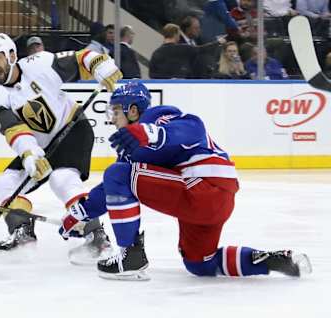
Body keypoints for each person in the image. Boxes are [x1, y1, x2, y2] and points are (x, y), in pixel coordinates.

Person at [58, 81, 312, 280]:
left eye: (115, 111)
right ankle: (272, 260)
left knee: (117, 174)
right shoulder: (132, 145)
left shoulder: (157, 118)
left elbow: (193, 129)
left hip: (203, 186)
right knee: (200, 263)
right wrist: (79, 213)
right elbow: (111, 190)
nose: (111, 118)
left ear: (133, 110)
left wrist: (149, 132)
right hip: (212, 201)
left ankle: (130, 256)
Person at [0, 33, 122, 261]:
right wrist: (30, 155)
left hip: (73, 129)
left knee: (62, 179)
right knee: (6, 183)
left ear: (12, 55)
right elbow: (13, 130)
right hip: (41, 145)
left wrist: (101, 67)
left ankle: (96, 234)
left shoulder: (40, 63)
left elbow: (82, 58)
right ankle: (21, 231)